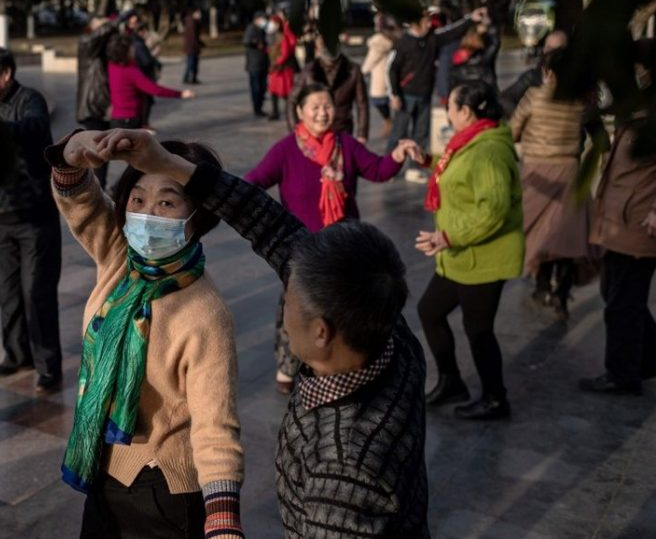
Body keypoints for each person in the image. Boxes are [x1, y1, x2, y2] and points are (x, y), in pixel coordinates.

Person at [91, 128, 430, 539]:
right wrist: (168, 164)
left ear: (321, 332)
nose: (282, 305)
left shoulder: (343, 468)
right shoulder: (390, 335)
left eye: (289, 300)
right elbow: (272, 227)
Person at [47, 130, 245, 539]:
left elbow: (215, 427)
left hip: (166, 494)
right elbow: (81, 202)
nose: (147, 214)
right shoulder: (121, 261)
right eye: (137, 199)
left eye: (167, 202)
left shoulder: (205, 312)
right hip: (103, 473)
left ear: (198, 215)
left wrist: (223, 521)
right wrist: (70, 154)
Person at [246, 83, 423, 393]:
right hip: (302, 252)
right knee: (294, 309)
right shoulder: (285, 150)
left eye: (327, 105)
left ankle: (342, 364)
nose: (322, 112)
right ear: (300, 111)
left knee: (344, 310)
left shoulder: (346, 145)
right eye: (314, 106)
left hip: (343, 250)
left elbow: (378, 170)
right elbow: (254, 182)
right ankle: (288, 366)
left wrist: (396, 154)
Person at [415, 81, 524, 420]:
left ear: (466, 112)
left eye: (450, 105)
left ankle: (495, 398)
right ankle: (451, 382)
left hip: (482, 256)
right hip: (461, 255)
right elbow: (457, 173)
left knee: (478, 329)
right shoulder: (471, 139)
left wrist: (446, 237)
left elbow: (493, 209)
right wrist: (427, 160)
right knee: (429, 312)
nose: (447, 110)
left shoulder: (488, 149)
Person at [0, 45, 63, 393]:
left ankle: (48, 366)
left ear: (5, 74)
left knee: (36, 293)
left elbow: (36, 128)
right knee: (8, 293)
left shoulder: (30, 100)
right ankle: (16, 355)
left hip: (34, 217)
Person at [580, 53, 656, 395]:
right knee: (617, 294)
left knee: (623, 302)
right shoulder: (637, 109)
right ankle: (646, 358)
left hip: (638, 223)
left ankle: (622, 375)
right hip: (619, 219)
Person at [509, 49, 594, 321]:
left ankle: (542, 287)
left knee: (538, 234)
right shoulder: (580, 100)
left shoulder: (534, 97)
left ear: (548, 72)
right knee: (567, 237)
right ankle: (561, 298)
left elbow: (512, 131)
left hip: (537, 173)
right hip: (570, 171)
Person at [388, 7, 488, 181]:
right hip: (406, 95)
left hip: (425, 94)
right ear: (418, 23)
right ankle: (389, 167)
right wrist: (394, 95)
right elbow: (392, 70)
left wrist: (471, 18)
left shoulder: (432, 38)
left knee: (421, 133)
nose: (430, 23)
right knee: (399, 132)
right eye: (427, 20)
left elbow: (453, 32)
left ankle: (413, 168)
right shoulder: (404, 42)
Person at [106, 33, 195, 130]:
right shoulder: (130, 71)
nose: (134, 50)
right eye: (131, 48)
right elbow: (154, 89)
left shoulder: (112, 66)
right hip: (129, 120)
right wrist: (181, 94)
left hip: (116, 118)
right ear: (124, 52)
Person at [76, 15, 121, 188]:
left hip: (103, 105)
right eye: (100, 25)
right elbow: (97, 34)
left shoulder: (100, 48)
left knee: (103, 153)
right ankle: (96, 192)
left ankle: (99, 189)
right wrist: (112, 22)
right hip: (92, 105)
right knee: (98, 154)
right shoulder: (86, 43)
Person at [304, 31, 369, 142]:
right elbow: (293, 100)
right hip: (314, 129)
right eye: (320, 44)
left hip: (342, 127)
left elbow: (361, 103)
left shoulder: (353, 69)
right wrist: (296, 129)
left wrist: (362, 133)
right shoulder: (310, 70)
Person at [500, 30, 568, 116]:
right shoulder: (532, 76)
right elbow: (505, 99)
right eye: (549, 48)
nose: (552, 54)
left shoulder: (574, 78)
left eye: (557, 50)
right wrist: (524, 117)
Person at [362, 13, 400, 138]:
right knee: (388, 99)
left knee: (378, 100)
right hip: (387, 74)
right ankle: (390, 123)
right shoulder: (391, 40)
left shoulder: (378, 42)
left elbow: (371, 60)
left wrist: (363, 70)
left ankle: (389, 122)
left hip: (380, 75)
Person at [448, 17, 500, 92]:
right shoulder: (483, 56)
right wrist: (489, 25)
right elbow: (495, 43)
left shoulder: (456, 57)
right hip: (484, 94)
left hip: (464, 97)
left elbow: (452, 83)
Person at [267, 14, 298, 121]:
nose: (271, 25)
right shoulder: (273, 36)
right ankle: (275, 112)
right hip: (276, 68)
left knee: (286, 93)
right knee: (273, 91)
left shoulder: (282, 36)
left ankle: (292, 112)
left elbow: (285, 53)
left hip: (282, 69)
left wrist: (277, 63)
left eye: (274, 23)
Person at [243, 11, 270, 117]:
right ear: (257, 19)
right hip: (254, 63)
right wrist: (256, 43)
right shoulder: (251, 28)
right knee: (256, 87)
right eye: (262, 19)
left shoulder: (262, 29)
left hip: (262, 62)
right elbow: (246, 41)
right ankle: (257, 109)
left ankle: (260, 107)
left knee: (262, 87)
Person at [182, 8, 204, 85]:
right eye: (198, 13)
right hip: (192, 47)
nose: (200, 15)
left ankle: (191, 78)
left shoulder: (193, 22)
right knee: (191, 63)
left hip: (192, 46)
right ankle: (189, 78)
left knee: (192, 63)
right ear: (194, 14)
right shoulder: (192, 23)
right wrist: (198, 45)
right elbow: (193, 37)